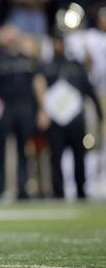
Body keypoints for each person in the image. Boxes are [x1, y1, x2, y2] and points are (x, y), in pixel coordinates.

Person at [0, 25, 48, 200]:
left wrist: (43, 109)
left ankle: (22, 189)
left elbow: (38, 83)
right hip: (5, 108)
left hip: (25, 107)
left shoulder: (28, 59)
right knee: (1, 149)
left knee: (23, 149)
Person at [43, 33, 103, 198]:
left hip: (76, 118)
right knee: (56, 157)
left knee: (79, 155)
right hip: (55, 119)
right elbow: (41, 91)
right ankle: (58, 192)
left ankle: (81, 190)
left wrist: (98, 112)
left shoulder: (76, 66)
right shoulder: (47, 67)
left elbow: (89, 89)